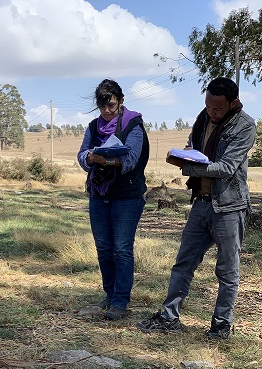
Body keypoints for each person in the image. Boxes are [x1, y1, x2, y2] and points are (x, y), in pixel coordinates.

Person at [136, 77, 256, 339]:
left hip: (229, 207)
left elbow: (226, 168)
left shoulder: (246, 125)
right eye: (208, 107)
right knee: (183, 264)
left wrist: (187, 167)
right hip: (201, 204)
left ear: (233, 103)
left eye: (218, 109)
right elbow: (193, 146)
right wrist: (184, 154)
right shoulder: (203, 119)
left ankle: (221, 325)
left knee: (227, 270)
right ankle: (169, 318)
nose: (211, 113)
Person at [77, 79, 149, 320]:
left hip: (127, 195)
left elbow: (130, 162)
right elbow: (81, 154)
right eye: (103, 106)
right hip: (99, 194)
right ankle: (109, 295)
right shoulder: (93, 126)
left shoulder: (133, 125)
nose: (107, 111)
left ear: (121, 101)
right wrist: (89, 157)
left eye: (112, 106)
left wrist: (104, 160)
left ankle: (120, 301)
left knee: (122, 249)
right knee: (104, 249)